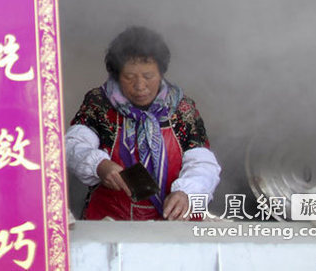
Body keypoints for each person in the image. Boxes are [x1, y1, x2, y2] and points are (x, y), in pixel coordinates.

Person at [65, 26, 220, 221]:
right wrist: (100, 165)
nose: (140, 86)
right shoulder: (100, 104)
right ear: (116, 75)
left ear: (161, 73)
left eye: (148, 76)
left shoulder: (182, 109)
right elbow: (72, 145)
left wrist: (187, 193)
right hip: (111, 222)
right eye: (129, 77)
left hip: (172, 224)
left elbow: (203, 162)